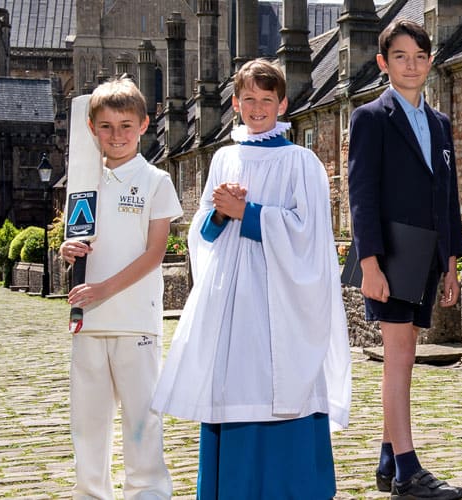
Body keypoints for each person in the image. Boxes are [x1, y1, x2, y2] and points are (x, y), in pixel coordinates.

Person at [150, 59, 352, 499]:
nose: (257, 108)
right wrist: (221, 213)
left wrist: (251, 213)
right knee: (235, 386)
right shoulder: (224, 157)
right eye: (248, 100)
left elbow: (311, 234)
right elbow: (201, 232)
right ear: (236, 105)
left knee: (288, 384)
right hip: (234, 305)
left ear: (282, 103)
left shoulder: (303, 162)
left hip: (284, 300)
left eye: (266, 99)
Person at [346, 20, 462, 500]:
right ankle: (407, 471)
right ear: (383, 63)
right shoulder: (370, 117)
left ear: (430, 61)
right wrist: (370, 263)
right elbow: (361, 196)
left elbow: (447, 193)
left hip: (428, 255)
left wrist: (452, 262)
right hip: (391, 253)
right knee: (400, 360)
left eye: (419, 55)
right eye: (400, 56)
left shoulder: (439, 123)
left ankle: (386, 457)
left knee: (403, 358)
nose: (411, 64)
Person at [59, 77, 181, 499]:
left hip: (136, 322)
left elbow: (154, 255)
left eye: (126, 126)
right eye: (107, 127)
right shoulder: (82, 182)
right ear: (92, 129)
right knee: (88, 424)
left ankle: (148, 492)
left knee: (141, 422)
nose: (117, 136)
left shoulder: (156, 181)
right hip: (87, 324)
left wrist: (103, 289)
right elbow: (80, 243)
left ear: (144, 125)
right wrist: (67, 248)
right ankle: (90, 493)